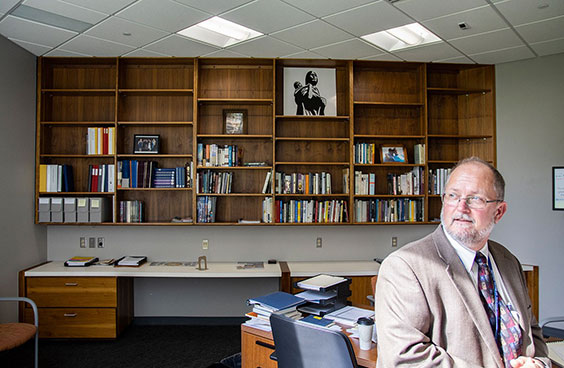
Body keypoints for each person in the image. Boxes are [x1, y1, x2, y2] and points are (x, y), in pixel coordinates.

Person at [375, 157, 550, 368]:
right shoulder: (405, 267)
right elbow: (405, 358)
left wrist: (539, 363)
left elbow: (532, 331)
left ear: (499, 212)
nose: (461, 207)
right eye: (453, 195)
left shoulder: (508, 262)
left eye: (475, 199)